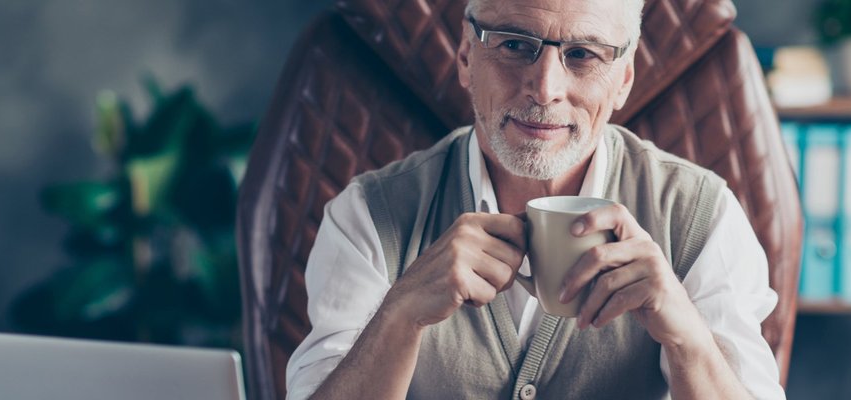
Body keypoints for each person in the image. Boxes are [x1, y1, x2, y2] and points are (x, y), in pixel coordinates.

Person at [286, 0, 785, 398]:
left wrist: (688, 340)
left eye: (583, 54)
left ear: (624, 79)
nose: (545, 89)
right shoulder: (367, 216)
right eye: (514, 45)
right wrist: (400, 315)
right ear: (465, 58)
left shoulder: (703, 215)